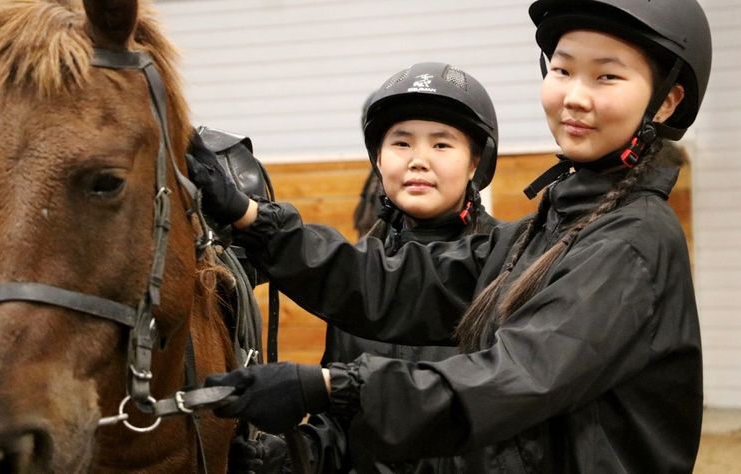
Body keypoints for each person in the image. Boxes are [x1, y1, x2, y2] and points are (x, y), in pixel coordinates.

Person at [189, 0, 711, 471]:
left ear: (665, 103)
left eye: (607, 78)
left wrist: (330, 387)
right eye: (563, 69)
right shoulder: (544, 231)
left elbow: (513, 378)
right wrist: (250, 218)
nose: (574, 97)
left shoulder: (630, 242)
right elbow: (399, 285)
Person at [225, 63, 502, 473]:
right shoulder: (358, 276)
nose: (418, 161)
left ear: (475, 162)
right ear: (378, 159)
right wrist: (295, 455)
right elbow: (345, 426)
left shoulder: (509, 266)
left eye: (442, 145)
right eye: (401, 143)